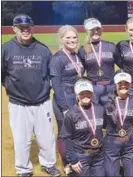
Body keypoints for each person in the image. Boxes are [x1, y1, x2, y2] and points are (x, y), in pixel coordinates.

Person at [1, 14, 60, 177]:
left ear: (32, 28)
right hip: (18, 103)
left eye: (28, 27)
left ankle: (48, 164)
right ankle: (23, 169)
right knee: (21, 139)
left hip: (42, 101)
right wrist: (12, 88)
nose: (25, 30)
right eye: (21, 28)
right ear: (14, 29)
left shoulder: (42, 49)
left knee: (47, 138)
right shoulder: (6, 49)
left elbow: (51, 73)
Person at [49, 25, 84, 174]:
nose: (72, 40)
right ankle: (67, 162)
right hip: (64, 98)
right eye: (68, 37)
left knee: (77, 130)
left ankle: (75, 156)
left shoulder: (77, 55)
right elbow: (56, 86)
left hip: (76, 98)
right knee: (65, 132)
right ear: (62, 39)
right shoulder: (57, 58)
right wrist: (64, 108)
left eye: (74, 37)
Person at [60, 78, 105, 177]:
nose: (85, 96)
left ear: (92, 93)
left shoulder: (100, 109)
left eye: (88, 92)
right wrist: (73, 160)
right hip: (81, 157)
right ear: (77, 95)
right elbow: (67, 138)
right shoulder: (71, 114)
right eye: (82, 93)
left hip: (99, 155)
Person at [103, 71, 133, 177]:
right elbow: (103, 122)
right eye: (120, 83)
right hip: (112, 141)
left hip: (129, 141)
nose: (123, 85)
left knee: (132, 173)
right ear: (115, 84)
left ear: (130, 84)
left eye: (126, 83)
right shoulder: (106, 101)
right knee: (111, 174)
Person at [78, 18, 119, 105]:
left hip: (110, 87)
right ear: (86, 32)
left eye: (98, 29)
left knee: (111, 114)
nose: (95, 32)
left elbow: (122, 64)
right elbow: (79, 72)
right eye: (92, 30)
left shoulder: (111, 46)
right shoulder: (83, 49)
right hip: (93, 88)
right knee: (95, 114)